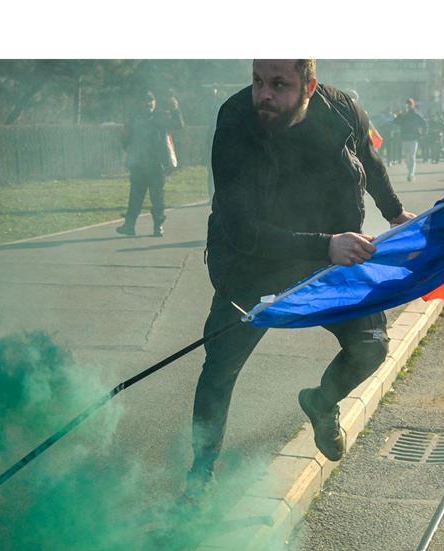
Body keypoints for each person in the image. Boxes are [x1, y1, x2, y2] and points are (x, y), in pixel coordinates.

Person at [187, 59, 415, 502]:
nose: (264, 95)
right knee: (219, 368)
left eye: (279, 84)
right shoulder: (235, 119)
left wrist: (394, 212)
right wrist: (326, 245)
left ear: (309, 85)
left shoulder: (343, 108)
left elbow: (369, 158)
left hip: (329, 255)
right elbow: (239, 227)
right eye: (257, 81)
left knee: (371, 345)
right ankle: (200, 472)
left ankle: (322, 401)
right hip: (251, 261)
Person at [116, 90, 184, 237]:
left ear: (155, 102)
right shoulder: (134, 118)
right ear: (140, 104)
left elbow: (179, 125)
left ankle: (158, 227)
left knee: (157, 198)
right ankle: (129, 226)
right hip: (138, 165)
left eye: (150, 101)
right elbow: (125, 137)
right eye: (145, 101)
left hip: (156, 166)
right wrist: (128, 149)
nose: (148, 104)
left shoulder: (161, 117)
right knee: (134, 198)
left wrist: (175, 109)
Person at [394, 97, 427, 181]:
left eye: (410, 104)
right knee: (407, 157)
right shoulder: (403, 114)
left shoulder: (416, 114)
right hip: (404, 138)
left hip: (413, 138)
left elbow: (424, 123)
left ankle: (411, 174)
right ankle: (410, 172)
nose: (408, 106)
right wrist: (401, 114)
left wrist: (423, 133)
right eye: (407, 104)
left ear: (413, 105)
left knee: (412, 156)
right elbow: (396, 122)